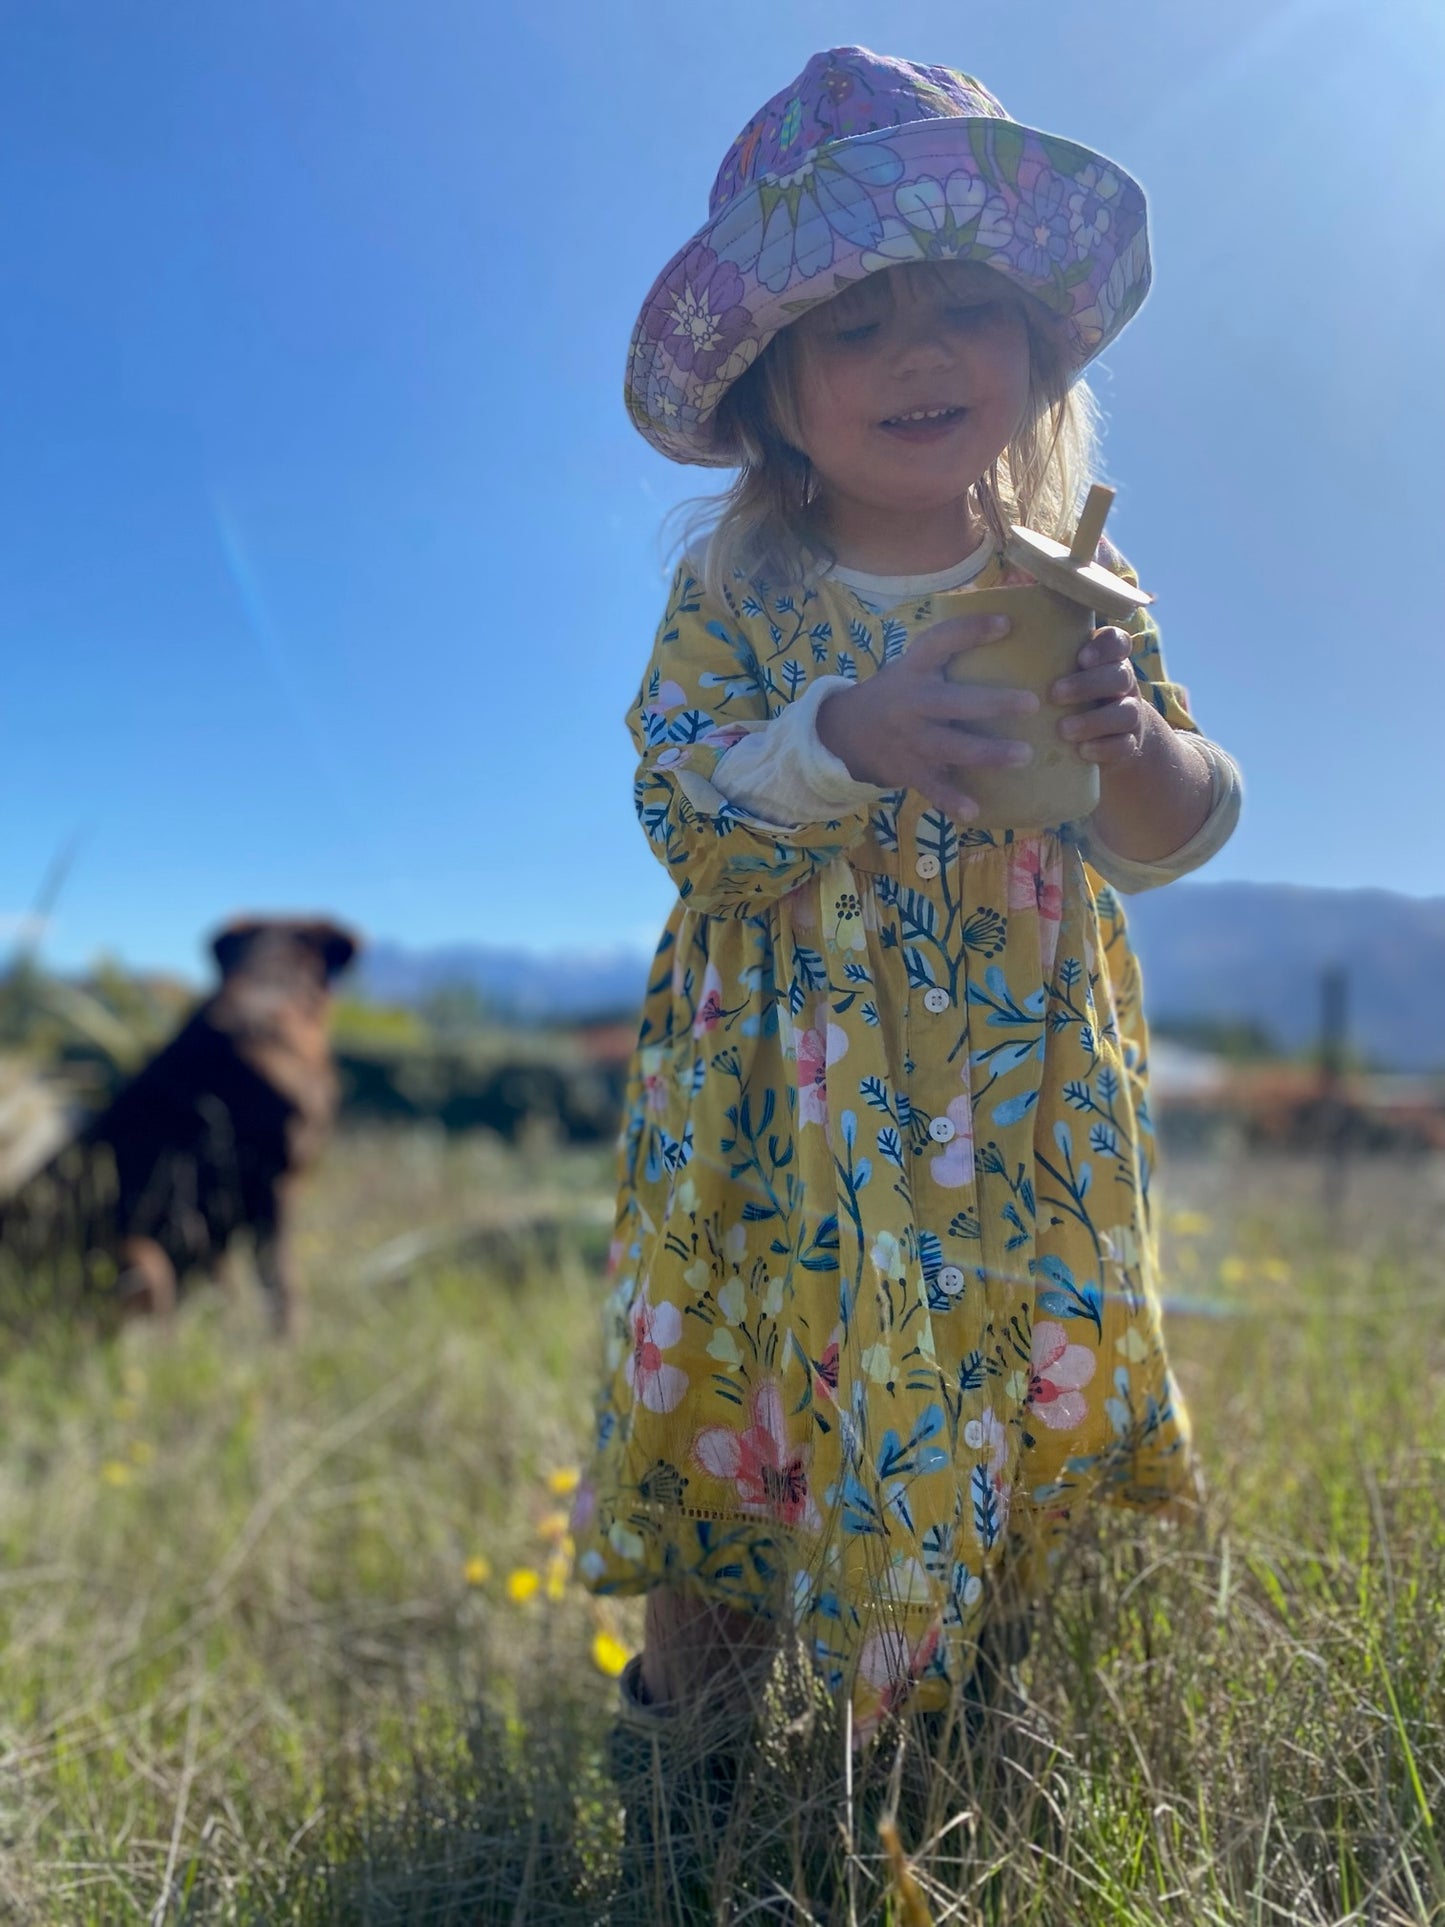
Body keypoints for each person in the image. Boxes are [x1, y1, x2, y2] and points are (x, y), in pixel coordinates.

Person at [572, 39, 1239, 1824]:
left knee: (988, 1393)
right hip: (774, 1108)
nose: (919, 356)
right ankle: (690, 1757)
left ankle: (948, 1760)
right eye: (856, 329)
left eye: (962, 311)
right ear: (777, 396)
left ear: (1035, 354)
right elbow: (678, 815)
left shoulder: (1070, 585)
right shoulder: (741, 593)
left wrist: (1134, 744)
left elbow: (1172, 835)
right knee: (749, 1383)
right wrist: (842, 738)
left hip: (1010, 1105)